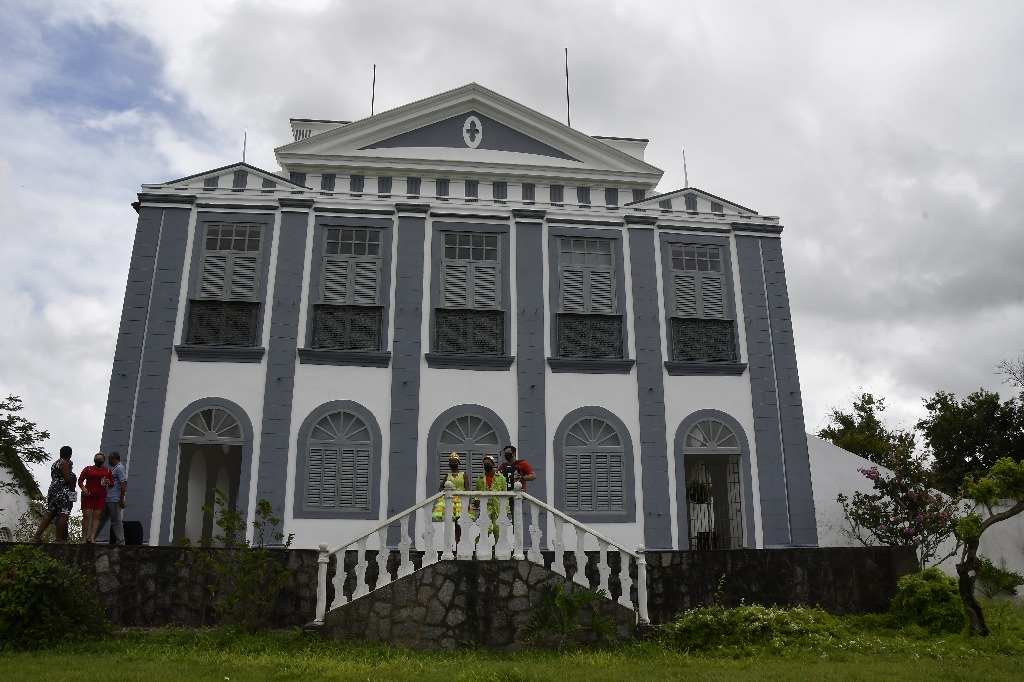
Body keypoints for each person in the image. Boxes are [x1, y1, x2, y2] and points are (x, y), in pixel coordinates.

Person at [32, 445, 76, 544]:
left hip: (53, 489)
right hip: (62, 490)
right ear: (70, 454)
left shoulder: (55, 463)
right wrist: (72, 490)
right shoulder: (64, 463)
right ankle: (58, 538)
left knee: (51, 513)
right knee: (64, 513)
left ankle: (36, 536)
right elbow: (68, 479)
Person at [431, 452, 468, 544]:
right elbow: (441, 487)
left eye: (454, 462)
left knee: (459, 525)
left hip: (460, 501)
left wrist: (467, 501)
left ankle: (459, 544)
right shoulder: (447, 476)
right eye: (451, 462)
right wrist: (445, 492)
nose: (452, 464)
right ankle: (449, 545)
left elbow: (467, 488)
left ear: (458, 462)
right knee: (448, 523)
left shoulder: (464, 475)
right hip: (449, 501)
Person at [78, 453, 113, 543]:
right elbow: (80, 480)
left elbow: (112, 484)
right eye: (96, 459)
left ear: (103, 460)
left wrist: (108, 482)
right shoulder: (88, 469)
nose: (98, 461)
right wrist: (83, 488)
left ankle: (92, 537)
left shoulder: (107, 471)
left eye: (100, 459)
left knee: (96, 516)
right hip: (88, 496)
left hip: (100, 497)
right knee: (86, 515)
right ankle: (83, 538)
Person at [473, 455, 508, 540]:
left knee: (497, 530)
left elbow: (505, 493)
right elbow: (477, 492)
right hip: (486, 506)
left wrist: (506, 508)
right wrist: (476, 500)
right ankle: (478, 545)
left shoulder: (501, 478)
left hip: (498, 506)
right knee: (486, 529)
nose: (486, 466)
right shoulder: (480, 479)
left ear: (493, 464)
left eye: (488, 464)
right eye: (484, 464)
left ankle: (497, 551)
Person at [104, 452, 128, 545]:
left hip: (114, 498)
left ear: (114, 458)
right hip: (109, 499)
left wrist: (121, 498)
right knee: (100, 518)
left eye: (109, 459)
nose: (109, 461)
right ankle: (91, 538)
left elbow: (124, 483)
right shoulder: (115, 469)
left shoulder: (119, 468)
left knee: (116, 520)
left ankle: (121, 541)